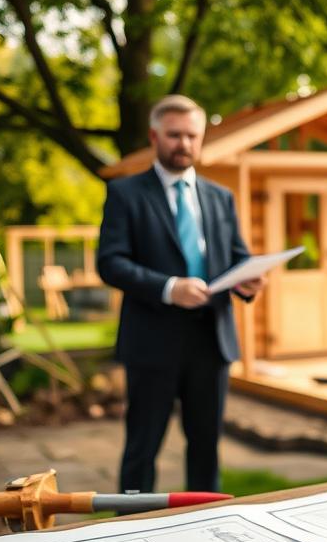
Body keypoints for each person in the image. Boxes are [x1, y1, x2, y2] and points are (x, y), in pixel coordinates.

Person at [98, 95, 263, 494]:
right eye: (175, 135)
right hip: (152, 344)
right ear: (155, 136)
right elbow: (110, 262)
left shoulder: (220, 197)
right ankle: (127, 532)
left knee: (206, 449)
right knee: (142, 449)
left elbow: (236, 258)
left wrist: (249, 279)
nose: (184, 144)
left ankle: (203, 527)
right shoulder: (125, 194)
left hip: (212, 342)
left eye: (192, 136)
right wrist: (170, 289)